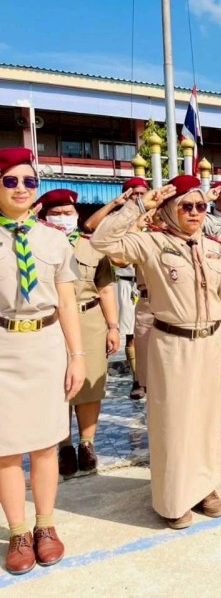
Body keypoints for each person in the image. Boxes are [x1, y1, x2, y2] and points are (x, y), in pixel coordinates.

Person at [92, 175, 221, 529]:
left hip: (211, 343)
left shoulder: (215, 248)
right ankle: (173, 497)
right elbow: (101, 240)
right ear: (170, 210)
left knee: (206, 421)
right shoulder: (151, 243)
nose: (195, 212)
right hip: (172, 344)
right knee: (173, 422)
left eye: (200, 206)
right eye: (186, 206)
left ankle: (205, 487)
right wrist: (138, 206)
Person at [0, 147, 85, 574]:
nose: (21, 188)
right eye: (11, 181)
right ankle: (18, 531)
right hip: (3, 347)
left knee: (47, 443)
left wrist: (77, 356)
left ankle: (45, 525)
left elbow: (67, 302)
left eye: (29, 181)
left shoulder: (53, 239)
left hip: (47, 344)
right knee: (6, 448)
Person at [34, 189, 120, 476]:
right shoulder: (35, 245)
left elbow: (105, 289)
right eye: (55, 213)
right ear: (44, 216)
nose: (63, 218)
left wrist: (113, 326)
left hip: (90, 320)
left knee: (90, 385)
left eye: (67, 213)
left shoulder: (91, 246)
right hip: (52, 322)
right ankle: (65, 446)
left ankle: (86, 443)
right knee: (59, 386)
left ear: (77, 214)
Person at [85, 177, 149, 398]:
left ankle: (151, 377)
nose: (138, 197)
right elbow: (90, 226)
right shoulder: (117, 219)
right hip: (124, 281)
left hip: (149, 283)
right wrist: (115, 203)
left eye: (142, 193)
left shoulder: (154, 217)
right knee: (130, 333)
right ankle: (137, 379)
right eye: (134, 193)